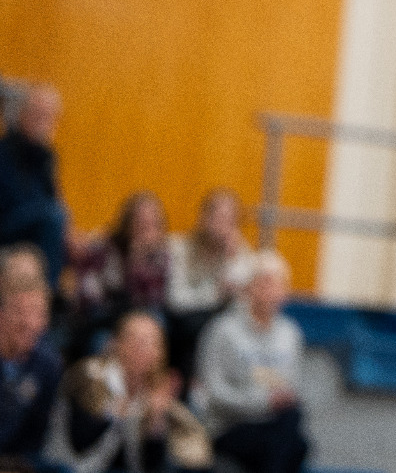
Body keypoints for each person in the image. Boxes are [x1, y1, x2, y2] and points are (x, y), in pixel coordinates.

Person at [46, 311, 211, 472]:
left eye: (152, 342)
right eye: (136, 340)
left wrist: (156, 419)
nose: (144, 349)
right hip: (64, 466)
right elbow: (80, 442)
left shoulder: (149, 392)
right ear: (115, 343)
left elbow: (148, 465)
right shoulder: (90, 375)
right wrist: (118, 411)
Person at [192, 253, 307, 473]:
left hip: (276, 421)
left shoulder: (290, 333)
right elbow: (212, 391)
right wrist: (263, 402)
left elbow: (292, 384)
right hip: (229, 426)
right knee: (288, 443)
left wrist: (281, 399)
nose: (271, 291)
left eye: (278, 284)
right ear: (248, 288)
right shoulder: (222, 331)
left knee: (293, 435)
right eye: (264, 283)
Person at [164, 192, 253, 379]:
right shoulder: (179, 248)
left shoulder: (239, 252)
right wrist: (216, 293)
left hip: (222, 325)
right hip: (185, 323)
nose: (223, 227)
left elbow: (245, 305)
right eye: (219, 218)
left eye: (231, 221)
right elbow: (176, 301)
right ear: (204, 218)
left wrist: (233, 260)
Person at [72, 194, 172, 358]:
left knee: (156, 324)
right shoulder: (105, 249)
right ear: (126, 224)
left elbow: (154, 301)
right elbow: (89, 298)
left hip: (141, 322)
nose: (145, 230)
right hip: (105, 323)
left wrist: (138, 265)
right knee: (100, 342)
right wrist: (129, 264)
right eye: (140, 223)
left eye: (152, 224)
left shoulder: (162, 256)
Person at [0, 87, 69, 294]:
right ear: (22, 114)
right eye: (37, 115)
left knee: (61, 221)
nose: (43, 123)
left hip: (35, 230)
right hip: (7, 226)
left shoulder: (47, 157)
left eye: (49, 117)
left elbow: (53, 197)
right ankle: (47, 294)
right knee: (54, 217)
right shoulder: (5, 153)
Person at [0, 253, 61, 467]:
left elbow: (36, 437)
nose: (30, 322)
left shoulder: (48, 364)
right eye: (19, 311)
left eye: (38, 313)